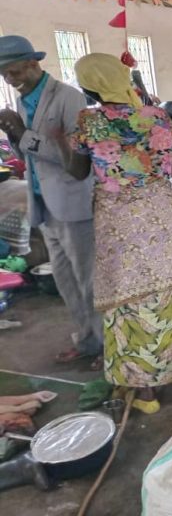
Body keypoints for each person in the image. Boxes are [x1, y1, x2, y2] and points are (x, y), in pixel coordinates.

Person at [55, 53, 172, 414]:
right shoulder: (158, 117)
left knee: (132, 306)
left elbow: (77, 172)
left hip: (120, 225)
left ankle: (147, 395)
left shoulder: (89, 122)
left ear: (91, 86)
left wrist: (60, 141)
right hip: (164, 216)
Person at [0, 35, 103, 367]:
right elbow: (28, 155)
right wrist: (14, 136)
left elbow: (76, 158)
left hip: (73, 204)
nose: (10, 81)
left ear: (33, 64)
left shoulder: (69, 99)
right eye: (5, 76)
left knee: (88, 281)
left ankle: (105, 347)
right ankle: (87, 340)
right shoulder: (22, 100)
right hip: (45, 205)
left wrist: (22, 133)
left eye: (14, 73)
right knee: (64, 280)